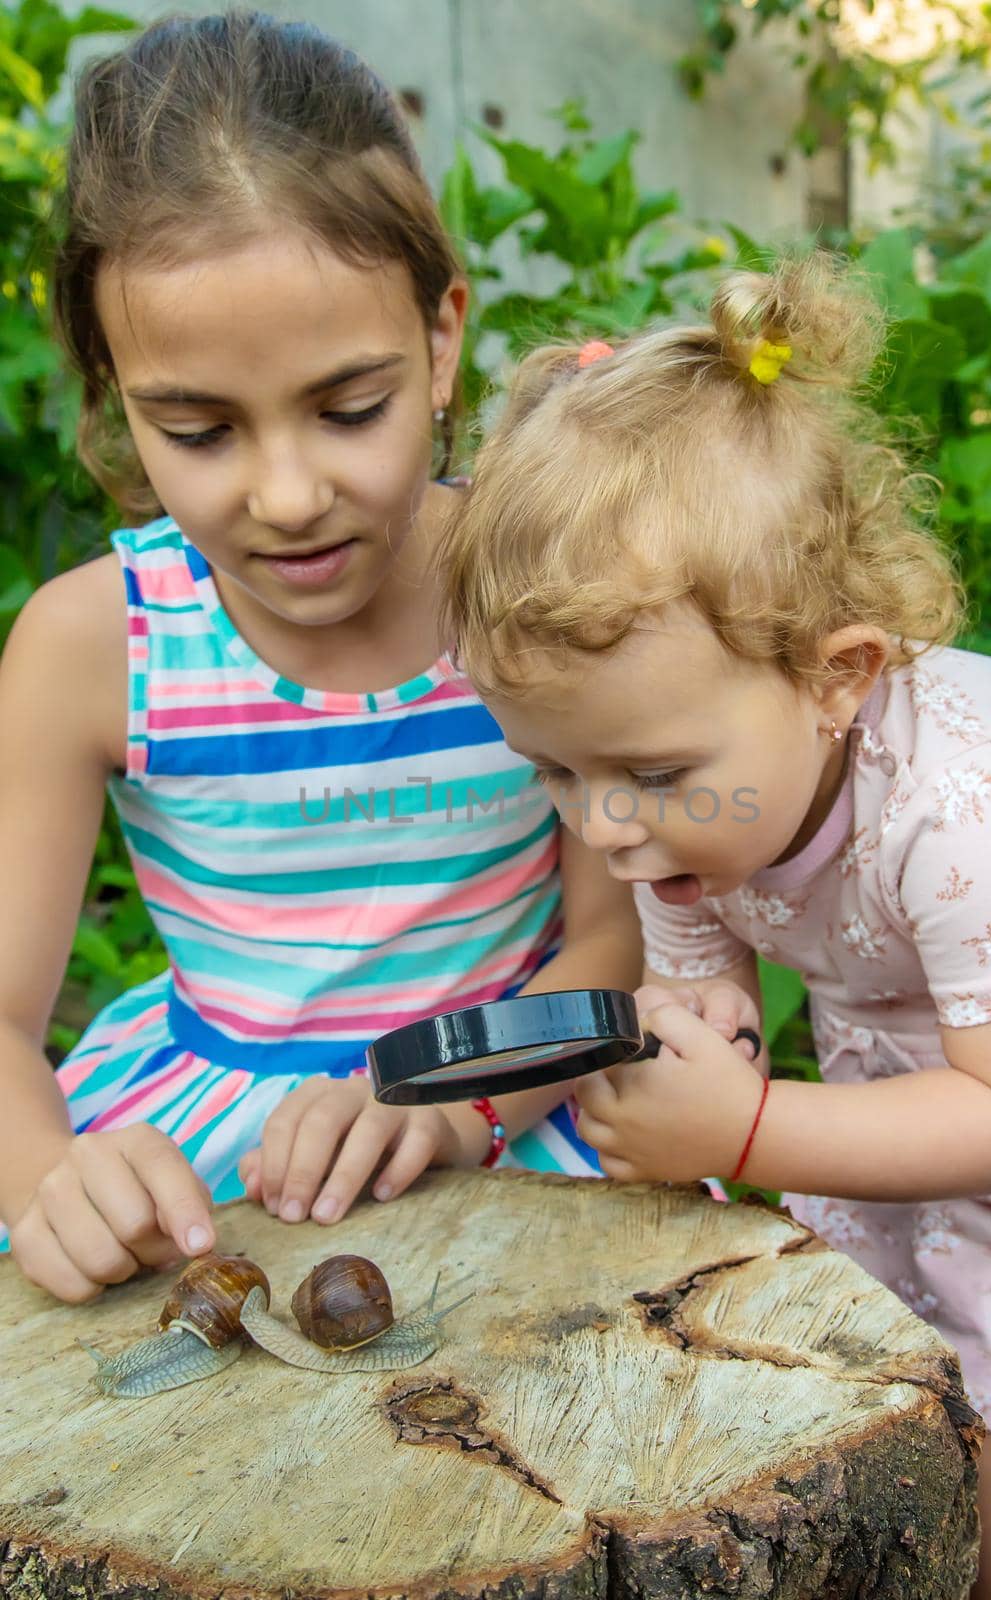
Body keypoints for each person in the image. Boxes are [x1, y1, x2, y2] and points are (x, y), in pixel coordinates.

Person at [0, 12, 640, 1307]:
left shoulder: (538, 589)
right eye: (198, 429)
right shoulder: (92, 646)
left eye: (352, 410)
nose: (288, 495)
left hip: (505, 1113)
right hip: (206, 1174)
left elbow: (613, 945)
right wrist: (42, 1183)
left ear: (443, 335)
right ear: (115, 390)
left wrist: (455, 1105)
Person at [436, 256, 991, 1599]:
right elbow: (701, 970)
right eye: (554, 770)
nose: (600, 829)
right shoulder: (689, 796)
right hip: (895, 1096)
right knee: (871, 1403)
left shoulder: (973, 816)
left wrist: (753, 1133)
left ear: (838, 675)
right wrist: (693, 1030)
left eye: (646, 776)